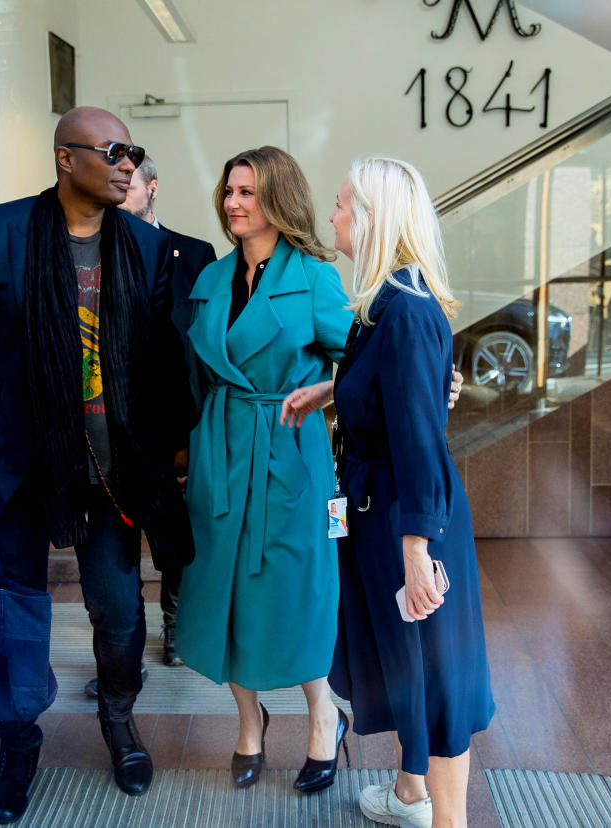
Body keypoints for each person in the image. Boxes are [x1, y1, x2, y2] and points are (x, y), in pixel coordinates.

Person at [0, 106, 194, 824]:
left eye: (132, 153)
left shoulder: (145, 249)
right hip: (17, 462)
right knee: (18, 612)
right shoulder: (0, 232)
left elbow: (158, 365)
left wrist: (173, 449)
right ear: (65, 158)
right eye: (114, 151)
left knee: (118, 613)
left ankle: (118, 722)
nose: (127, 165)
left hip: (110, 470)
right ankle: (18, 744)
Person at [320, 155, 495, 828]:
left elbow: (420, 438)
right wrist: (328, 392)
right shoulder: (382, 305)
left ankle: (446, 822)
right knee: (406, 666)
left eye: (341, 204)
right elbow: (388, 393)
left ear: (371, 220)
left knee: (438, 678)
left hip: (406, 519)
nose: (332, 214)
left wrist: (417, 549)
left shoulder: (407, 311)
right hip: (379, 514)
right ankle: (410, 795)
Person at [175, 146, 354, 794]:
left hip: (288, 456)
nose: (233, 203)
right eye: (229, 192)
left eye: (247, 192)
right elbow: (198, 375)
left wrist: (321, 393)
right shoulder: (213, 280)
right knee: (224, 592)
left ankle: (323, 714)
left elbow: (354, 366)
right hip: (222, 452)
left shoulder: (313, 278)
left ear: (277, 198)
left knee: (297, 591)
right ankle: (249, 723)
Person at [118, 154, 216, 667]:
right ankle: (122, 643)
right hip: (113, 424)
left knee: (177, 534)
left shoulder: (196, 255)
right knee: (116, 545)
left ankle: (175, 623)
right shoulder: (92, 252)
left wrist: (192, 432)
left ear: (153, 188)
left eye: (128, 183)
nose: (118, 191)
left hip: (176, 419)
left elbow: (203, 348)